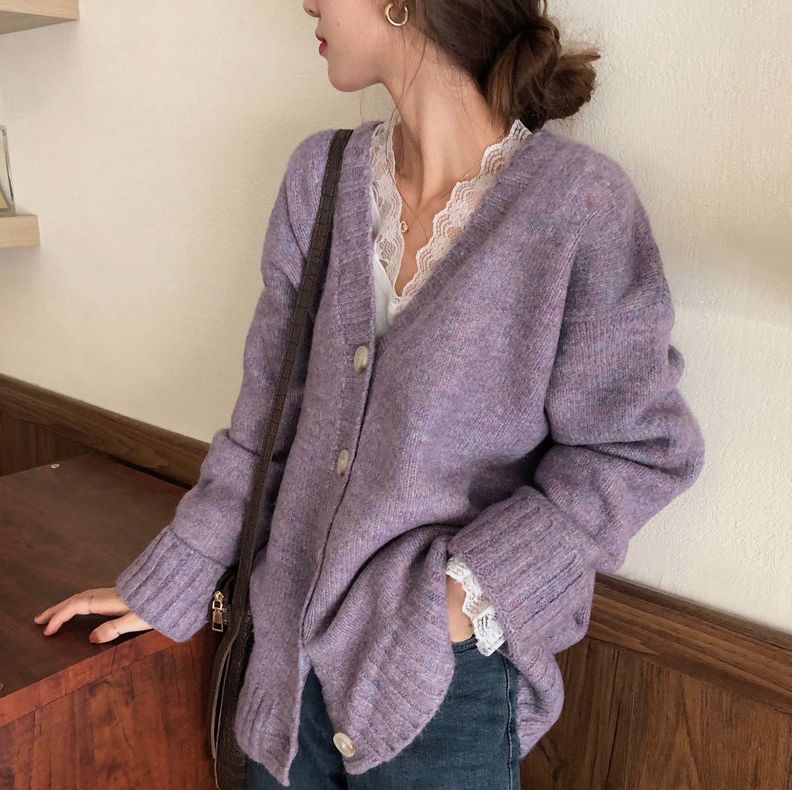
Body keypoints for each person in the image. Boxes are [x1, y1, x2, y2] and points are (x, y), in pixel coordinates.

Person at [33, 1, 707, 788]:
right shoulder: (320, 179)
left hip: (440, 688)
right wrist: (174, 579)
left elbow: (638, 450)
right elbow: (267, 422)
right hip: (284, 671)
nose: (309, 4)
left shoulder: (578, 204)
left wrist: (458, 597)